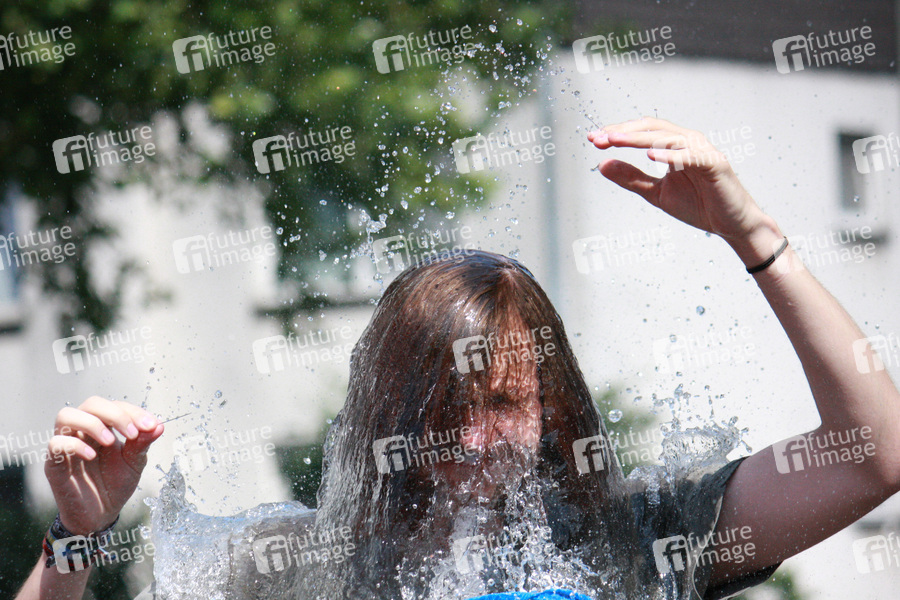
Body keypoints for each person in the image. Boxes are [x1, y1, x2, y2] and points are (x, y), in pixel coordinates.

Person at [15, 118, 900, 600]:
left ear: (551, 404)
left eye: (504, 403)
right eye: (441, 412)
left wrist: (754, 237)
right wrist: (77, 536)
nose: (473, 441)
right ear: (387, 414)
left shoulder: (640, 538)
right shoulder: (295, 568)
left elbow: (871, 457)